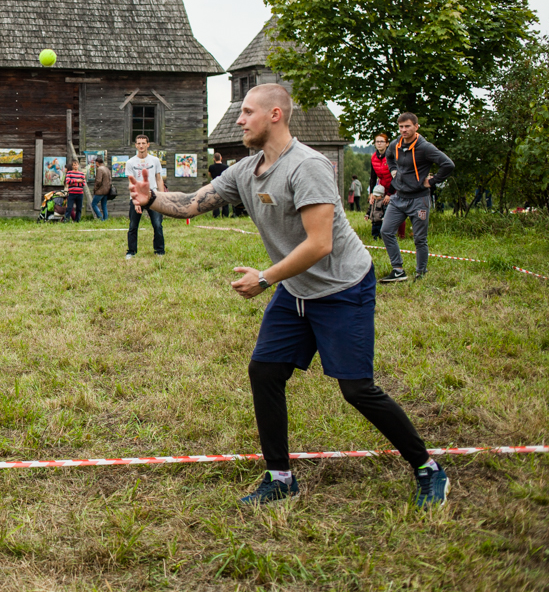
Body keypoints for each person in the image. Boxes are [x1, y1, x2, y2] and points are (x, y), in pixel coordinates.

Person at [126, 84, 450, 509]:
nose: (239, 120)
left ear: (275, 114)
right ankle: (280, 477)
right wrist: (151, 199)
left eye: (246, 112)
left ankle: (428, 468)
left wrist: (265, 279)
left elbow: (319, 245)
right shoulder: (246, 169)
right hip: (296, 289)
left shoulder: (308, 167)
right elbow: (190, 203)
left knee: (356, 390)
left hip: (342, 289)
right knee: (264, 371)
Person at [378, 113, 454, 283]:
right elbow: (389, 156)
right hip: (399, 198)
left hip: (419, 199)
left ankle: (421, 273)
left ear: (416, 127)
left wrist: (432, 181)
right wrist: (393, 171)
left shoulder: (425, 147)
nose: (404, 130)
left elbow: (448, 164)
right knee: (386, 231)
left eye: (407, 126)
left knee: (420, 238)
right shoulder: (395, 144)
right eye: (401, 127)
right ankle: (398, 270)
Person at [124, 135, 165, 259]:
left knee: (157, 225)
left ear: (148, 145)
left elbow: (159, 179)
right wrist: (136, 201)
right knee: (133, 226)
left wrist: (162, 197)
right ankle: (131, 251)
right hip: (137, 197)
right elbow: (131, 183)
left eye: (143, 143)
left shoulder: (155, 160)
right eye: (138, 143)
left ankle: (159, 251)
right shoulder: (130, 162)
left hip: (153, 196)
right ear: (135, 145)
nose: (141, 145)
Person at [369, 132, 405, 240]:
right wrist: (371, 193)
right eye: (377, 142)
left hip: (396, 185)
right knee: (381, 209)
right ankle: (383, 234)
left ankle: (401, 235)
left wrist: (389, 194)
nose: (379, 144)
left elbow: (397, 176)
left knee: (398, 209)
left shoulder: (392, 157)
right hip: (382, 186)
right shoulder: (373, 157)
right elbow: (372, 177)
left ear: (387, 143)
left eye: (381, 142)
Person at [91, 156, 111, 221]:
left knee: (93, 204)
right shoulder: (107, 169)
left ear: (97, 162)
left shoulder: (100, 169)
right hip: (107, 190)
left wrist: (95, 188)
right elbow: (110, 179)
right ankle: (106, 219)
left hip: (100, 191)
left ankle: (100, 218)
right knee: (104, 205)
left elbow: (98, 181)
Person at [208, 153, 229, 217]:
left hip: (215, 185)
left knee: (215, 200)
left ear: (214, 159)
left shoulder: (211, 167)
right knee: (225, 200)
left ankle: (216, 214)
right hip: (223, 185)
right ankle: (225, 215)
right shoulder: (226, 167)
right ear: (221, 158)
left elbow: (209, 175)